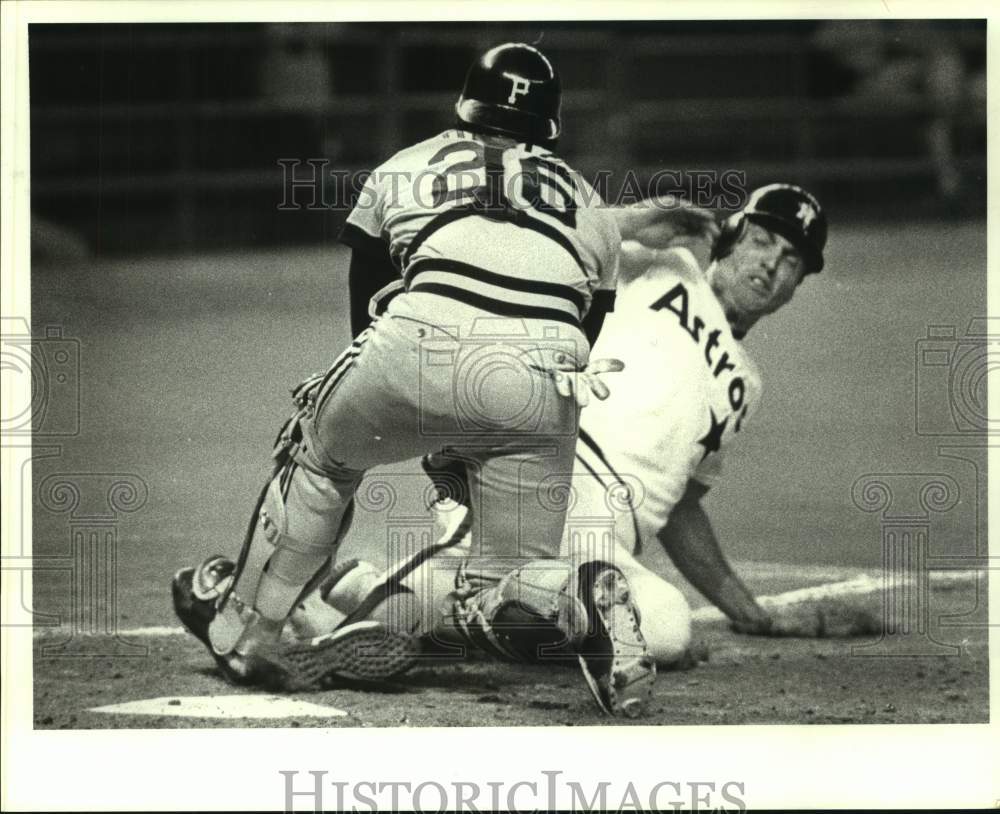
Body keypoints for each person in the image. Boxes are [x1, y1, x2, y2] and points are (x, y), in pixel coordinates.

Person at [171, 42, 667, 716]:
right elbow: (584, 336)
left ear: (466, 105)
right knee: (504, 580)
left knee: (319, 454)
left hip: (423, 340)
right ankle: (580, 596)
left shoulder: (404, 166)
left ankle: (246, 630)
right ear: (549, 124)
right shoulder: (592, 206)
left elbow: (368, 317)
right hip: (547, 374)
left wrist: (427, 420)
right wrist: (488, 435)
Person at [295, 183, 828, 667]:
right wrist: (631, 220)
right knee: (512, 583)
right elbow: (549, 240)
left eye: (791, 261)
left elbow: (682, 506)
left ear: (797, 284)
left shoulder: (746, 387)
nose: (772, 266)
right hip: (541, 476)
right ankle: (350, 628)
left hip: (603, 549)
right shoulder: (662, 267)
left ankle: (381, 592)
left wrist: (750, 612)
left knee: (668, 628)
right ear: (732, 237)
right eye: (761, 241)